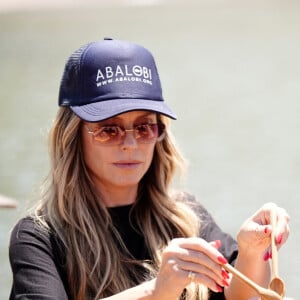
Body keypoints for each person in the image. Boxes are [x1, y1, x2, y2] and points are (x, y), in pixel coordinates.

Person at [9, 38, 290, 300]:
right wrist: (157, 291)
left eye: (144, 127)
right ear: (72, 137)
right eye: (109, 129)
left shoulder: (186, 217)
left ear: (160, 134)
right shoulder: (39, 237)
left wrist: (252, 252)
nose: (130, 143)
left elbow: (238, 295)